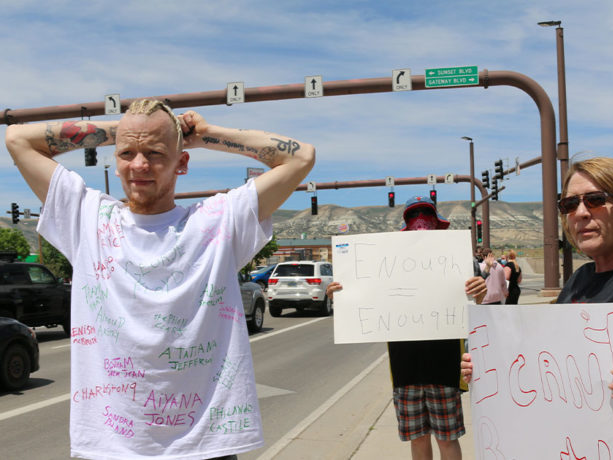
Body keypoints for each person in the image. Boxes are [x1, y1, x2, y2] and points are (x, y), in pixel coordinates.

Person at [5, 99, 314, 459]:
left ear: (181, 163)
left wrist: (204, 134)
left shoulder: (218, 221)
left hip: (205, 448)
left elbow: (301, 157)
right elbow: (16, 139)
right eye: (127, 154)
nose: (139, 165)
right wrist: (128, 130)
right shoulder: (87, 218)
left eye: (154, 153)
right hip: (112, 448)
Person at [461, 157, 613, 459]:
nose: (580, 213)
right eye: (569, 204)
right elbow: (551, 374)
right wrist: (492, 368)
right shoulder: (579, 281)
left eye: (595, 200)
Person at [327, 195, 486, 460]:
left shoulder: (459, 259)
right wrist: (342, 296)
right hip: (405, 368)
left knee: (447, 439)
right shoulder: (387, 261)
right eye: (414, 215)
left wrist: (480, 291)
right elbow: (367, 296)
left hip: (445, 365)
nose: (420, 220)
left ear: (438, 222)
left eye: (426, 214)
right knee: (418, 439)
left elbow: (474, 306)